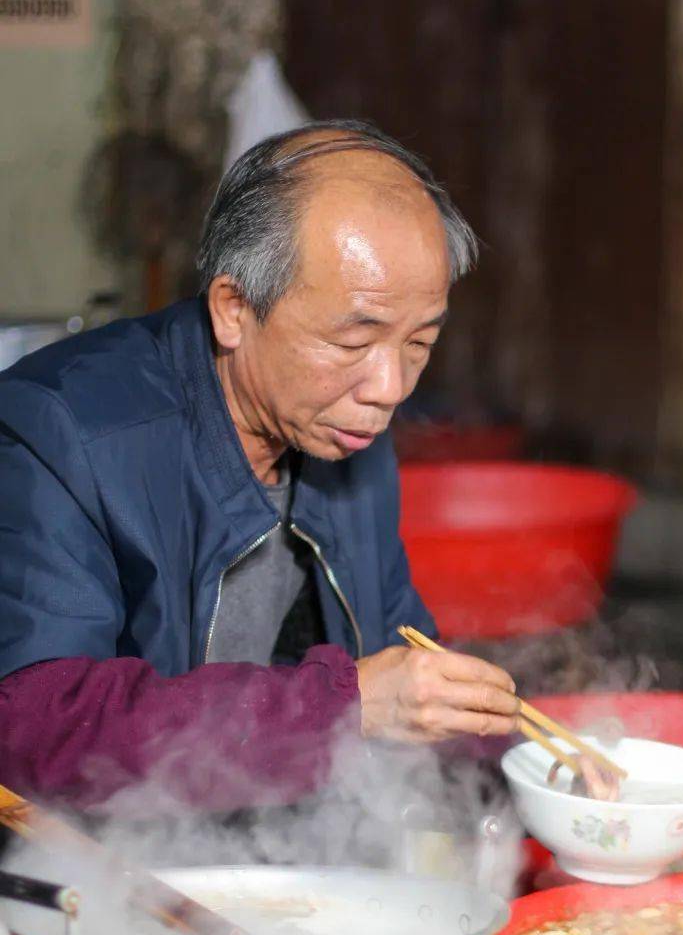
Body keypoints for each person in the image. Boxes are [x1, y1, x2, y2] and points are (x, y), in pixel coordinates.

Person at [0, 120, 520, 811]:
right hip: (106, 873)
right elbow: (34, 725)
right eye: (353, 340)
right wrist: (342, 707)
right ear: (235, 309)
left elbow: (402, 650)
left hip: (291, 854)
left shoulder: (342, 425)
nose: (390, 387)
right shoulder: (61, 431)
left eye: (419, 342)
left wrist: (526, 767)